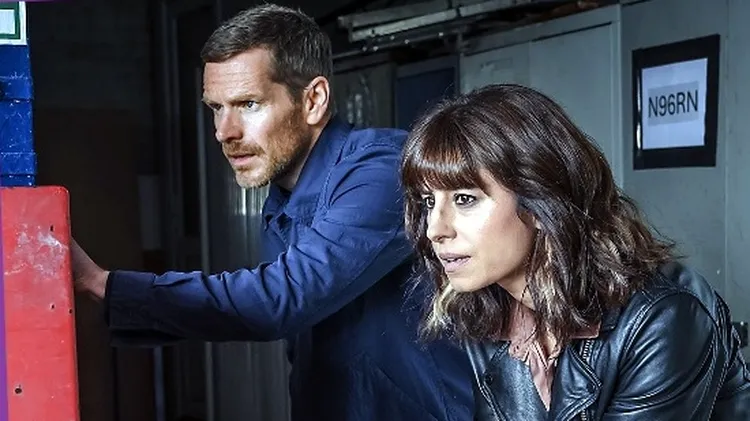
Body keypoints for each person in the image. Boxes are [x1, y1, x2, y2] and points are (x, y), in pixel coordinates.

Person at [71, 4, 474, 421]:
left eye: (248, 104)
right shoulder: (283, 203)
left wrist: (104, 285)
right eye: (216, 108)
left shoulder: (383, 170)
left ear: (313, 100)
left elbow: (280, 299)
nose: (224, 132)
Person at [399, 83, 750, 420]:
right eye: (429, 202)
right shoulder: (486, 310)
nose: (435, 229)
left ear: (539, 201)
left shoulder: (660, 318)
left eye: (464, 199)